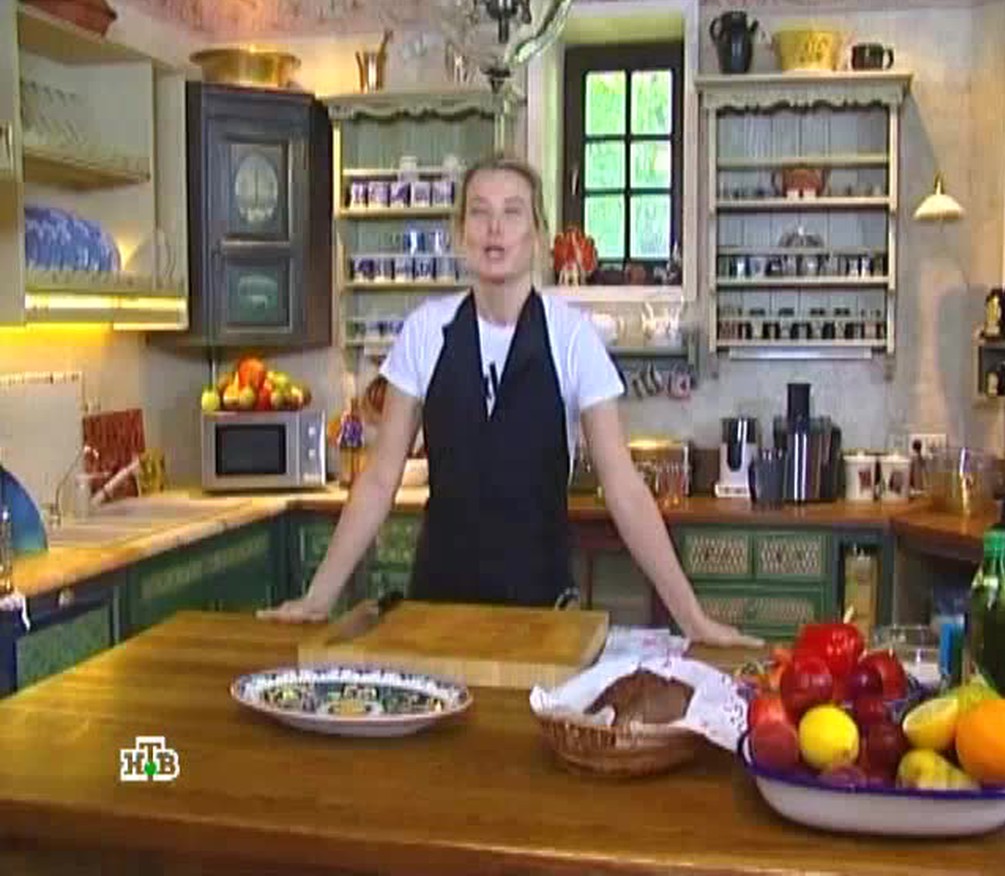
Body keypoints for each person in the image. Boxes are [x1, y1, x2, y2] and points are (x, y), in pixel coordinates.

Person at [259, 153, 761, 648]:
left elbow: (624, 488)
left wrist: (693, 620)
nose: (494, 228)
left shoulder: (572, 337)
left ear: (537, 235)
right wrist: (318, 599)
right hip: (436, 609)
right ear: (460, 233)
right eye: (479, 212)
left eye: (512, 212)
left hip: (542, 612)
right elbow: (378, 481)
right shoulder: (426, 331)